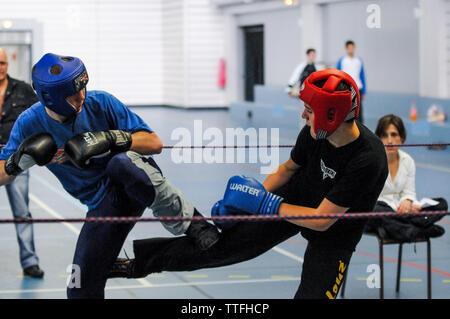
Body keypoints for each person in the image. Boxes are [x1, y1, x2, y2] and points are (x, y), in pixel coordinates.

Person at [109, 69, 389, 299]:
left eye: (309, 110)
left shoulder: (367, 159)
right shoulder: (314, 133)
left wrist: (267, 204)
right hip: (297, 199)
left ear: (332, 115)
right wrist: (252, 199)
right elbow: (288, 168)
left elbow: (321, 221)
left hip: (334, 233)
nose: (303, 116)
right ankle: (136, 264)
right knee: (221, 245)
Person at [0, 53, 220, 299]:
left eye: (84, 88)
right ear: (52, 99)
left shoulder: (102, 102)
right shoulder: (29, 123)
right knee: (79, 288)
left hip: (135, 181)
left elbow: (155, 143)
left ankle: (194, 224)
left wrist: (113, 139)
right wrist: (16, 163)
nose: (82, 95)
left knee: (121, 163)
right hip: (103, 206)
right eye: (74, 94)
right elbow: (1, 175)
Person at [365, 114, 447, 239]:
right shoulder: (372, 161)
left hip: (401, 211)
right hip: (380, 210)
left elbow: (409, 192)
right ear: (379, 138)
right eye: (384, 135)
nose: (390, 140)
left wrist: (408, 201)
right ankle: (414, 230)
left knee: (442, 204)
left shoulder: (408, 161)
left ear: (402, 138)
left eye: (394, 135)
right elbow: (369, 197)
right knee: (376, 212)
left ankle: (398, 228)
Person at [0, 48, 44, 278]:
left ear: (8, 64)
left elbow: (42, 114)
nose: (0, 67)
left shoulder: (22, 89)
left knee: (22, 212)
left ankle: (30, 262)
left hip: (15, 159)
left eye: (3, 63)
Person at [337, 41, 366, 123]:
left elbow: (362, 75)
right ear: (346, 49)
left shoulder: (358, 61)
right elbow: (337, 75)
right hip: (346, 88)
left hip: (357, 88)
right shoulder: (342, 61)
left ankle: (360, 129)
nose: (351, 49)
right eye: (349, 48)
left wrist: (364, 91)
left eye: (352, 48)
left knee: (359, 110)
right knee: (346, 109)